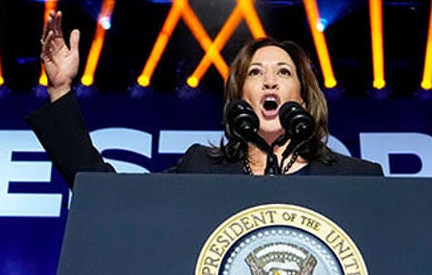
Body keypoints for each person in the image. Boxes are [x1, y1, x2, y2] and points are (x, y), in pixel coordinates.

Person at [26, 10, 383, 186]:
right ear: (240, 100)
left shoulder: (357, 179)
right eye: (256, 73)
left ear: (304, 100)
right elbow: (105, 197)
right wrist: (60, 90)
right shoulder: (201, 169)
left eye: (284, 72)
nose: (270, 81)